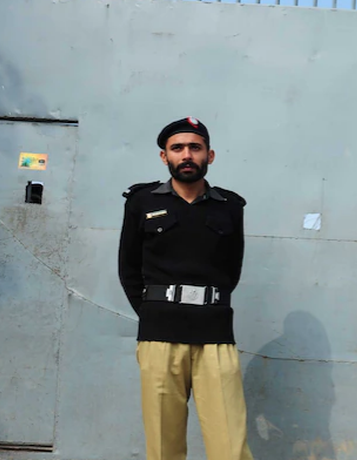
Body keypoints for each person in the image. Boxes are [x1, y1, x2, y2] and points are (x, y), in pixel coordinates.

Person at [118, 117, 253, 460]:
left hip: (215, 335)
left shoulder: (230, 207)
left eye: (195, 147)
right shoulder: (142, 202)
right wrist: (153, 312)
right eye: (177, 148)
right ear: (164, 157)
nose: (187, 155)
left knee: (230, 445)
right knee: (164, 445)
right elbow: (128, 268)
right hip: (160, 335)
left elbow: (231, 269)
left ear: (210, 155)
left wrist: (208, 304)